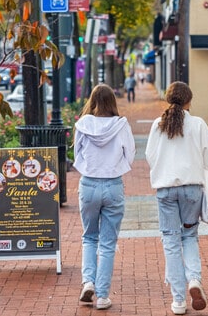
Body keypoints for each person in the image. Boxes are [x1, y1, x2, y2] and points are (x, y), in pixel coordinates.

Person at [145, 81, 208, 315]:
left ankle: (178, 300)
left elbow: (150, 156)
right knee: (189, 236)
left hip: (165, 190)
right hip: (192, 189)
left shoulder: (158, 125)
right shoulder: (198, 124)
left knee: (171, 241)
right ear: (189, 100)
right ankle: (194, 279)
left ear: (168, 99)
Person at [73, 84, 136, 310]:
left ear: (92, 100)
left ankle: (88, 281)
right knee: (108, 243)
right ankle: (102, 296)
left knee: (89, 237)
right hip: (113, 184)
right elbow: (131, 154)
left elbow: (77, 154)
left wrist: (90, 167)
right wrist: (115, 166)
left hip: (88, 184)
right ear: (112, 102)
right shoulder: (121, 125)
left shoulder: (82, 124)